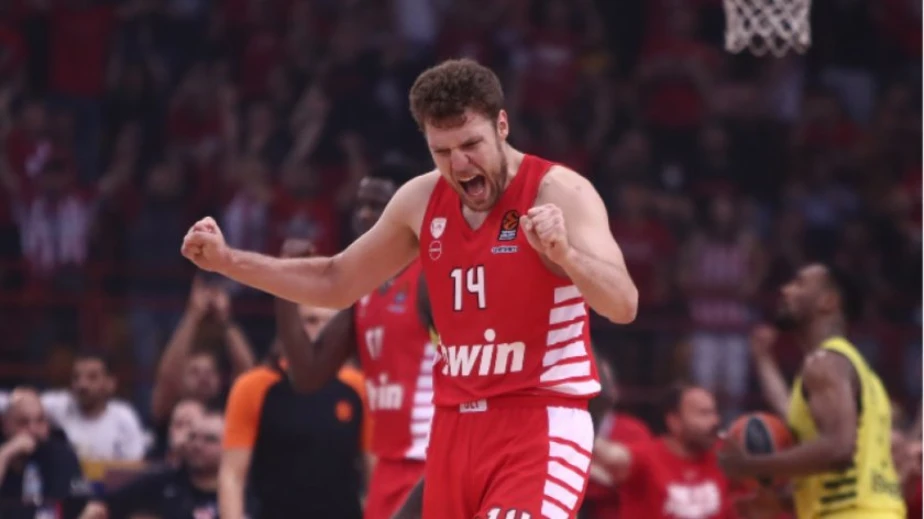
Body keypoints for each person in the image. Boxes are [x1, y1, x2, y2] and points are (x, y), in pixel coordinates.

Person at [181, 58, 638, 518]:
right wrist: (228, 260)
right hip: (454, 430)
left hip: (537, 423)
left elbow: (623, 304)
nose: (460, 164)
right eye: (442, 151)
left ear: (502, 126)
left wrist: (566, 255)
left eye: (471, 144)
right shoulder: (420, 200)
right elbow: (336, 280)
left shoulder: (558, 192)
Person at [273, 175, 436, 519]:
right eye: (360, 205)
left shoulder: (433, 276)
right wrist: (285, 282)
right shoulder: (364, 287)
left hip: (431, 463)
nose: (364, 215)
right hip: (388, 467)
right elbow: (308, 374)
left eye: (377, 205)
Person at [719, 263, 905, 519]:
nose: (785, 290)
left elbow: (839, 449)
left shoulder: (824, 363)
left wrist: (750, 466)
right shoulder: (857, 371)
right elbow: (844, 475)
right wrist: (780, 503)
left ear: (828, 302)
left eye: (799, 283)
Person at [219, 294, 370, 519]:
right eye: (311, 320)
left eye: (329, 323)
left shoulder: (359, 387)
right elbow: (232, 475)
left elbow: (374, 472)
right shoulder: (253, 386)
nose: (321, 331)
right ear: (288, 327)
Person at [592, 384, 733, 519]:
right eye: (703, 413)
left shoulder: (724, 457)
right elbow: (612, 455)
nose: (715, 421)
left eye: (714, 412)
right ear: (674, 421)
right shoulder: (647, 458)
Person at [79, 408, 232, 519]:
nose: (197, 445)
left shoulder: (242, 492)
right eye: (192, 437)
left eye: (210, 439)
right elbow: (101, 506)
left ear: (230, 447)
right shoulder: (160, 483)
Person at [0, 353, 147, 462]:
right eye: (76, 377)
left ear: (111, 383)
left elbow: (135, 468)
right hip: (66, 486)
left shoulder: (124, 417)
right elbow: (13, 402)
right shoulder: (60, 405)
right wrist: (19, 396)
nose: (82, 384)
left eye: (92, 377)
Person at [0, 388, 87, 518]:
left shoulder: (62, 455)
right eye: (23, 422)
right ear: (5, 425)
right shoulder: (3, 452)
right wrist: (6, 454)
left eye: (40, 420)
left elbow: (80, 501)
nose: (33, 429)